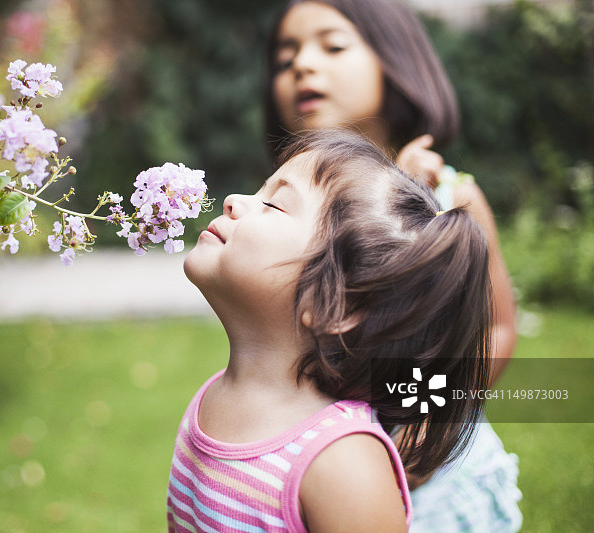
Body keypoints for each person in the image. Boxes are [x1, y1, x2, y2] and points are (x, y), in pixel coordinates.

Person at [263, 2, 522, 531]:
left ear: (396, 63)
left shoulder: (449, 198)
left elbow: (496, 326)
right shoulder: (294, 210)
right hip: (318, 469)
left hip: (431, 479)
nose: (302, 66)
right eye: (285, 56)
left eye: (332, 46)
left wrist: (431, 416)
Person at [167, 130, 492, 532]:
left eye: (273, 204)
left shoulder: (342, 463)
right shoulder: (213, 399)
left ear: (336, 304)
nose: (234, 201)